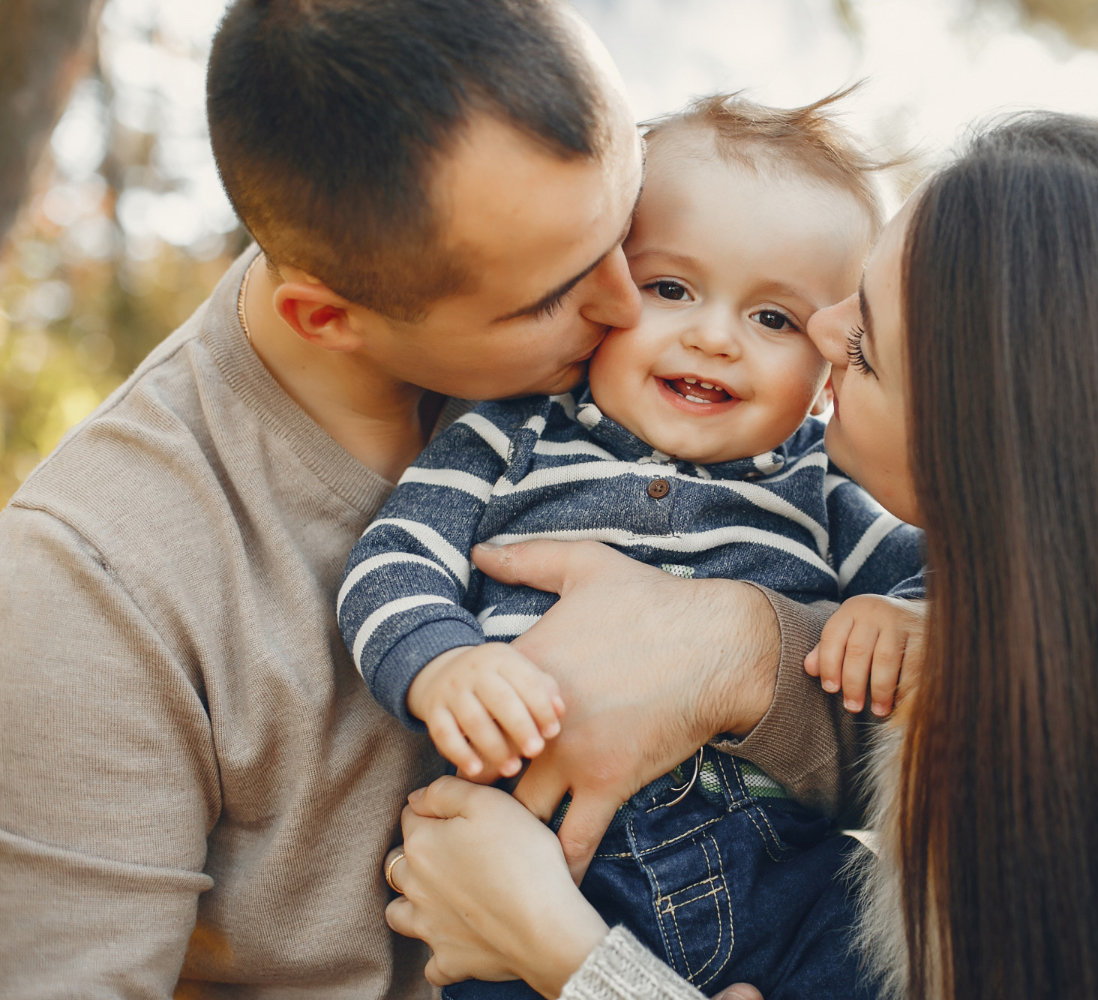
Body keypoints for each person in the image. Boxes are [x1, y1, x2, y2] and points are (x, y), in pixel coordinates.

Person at [382, 113, 1098, 1000]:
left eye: (856, 341)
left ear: (992, 458)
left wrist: (570, 959)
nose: (812, 339)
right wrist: (757, 646)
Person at [0, 2, 872, 995]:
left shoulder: (690, 388)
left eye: (623, 226)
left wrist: (744, 652)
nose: (631, 307)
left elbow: (979, 739)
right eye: (554, 291)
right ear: (328, 317)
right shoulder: (94, 582)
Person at [339, 92, 926, 1000]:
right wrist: (440, 666)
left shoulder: (828, 482)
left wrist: (895, 617)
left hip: (780, 866)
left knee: (887, 960)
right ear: (603, 285)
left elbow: (947, 600)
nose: (713, 336)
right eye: (671, 289)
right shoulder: (513, 436)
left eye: (773, 319)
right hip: (540, 859)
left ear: (826, 367)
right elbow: (395, 560)